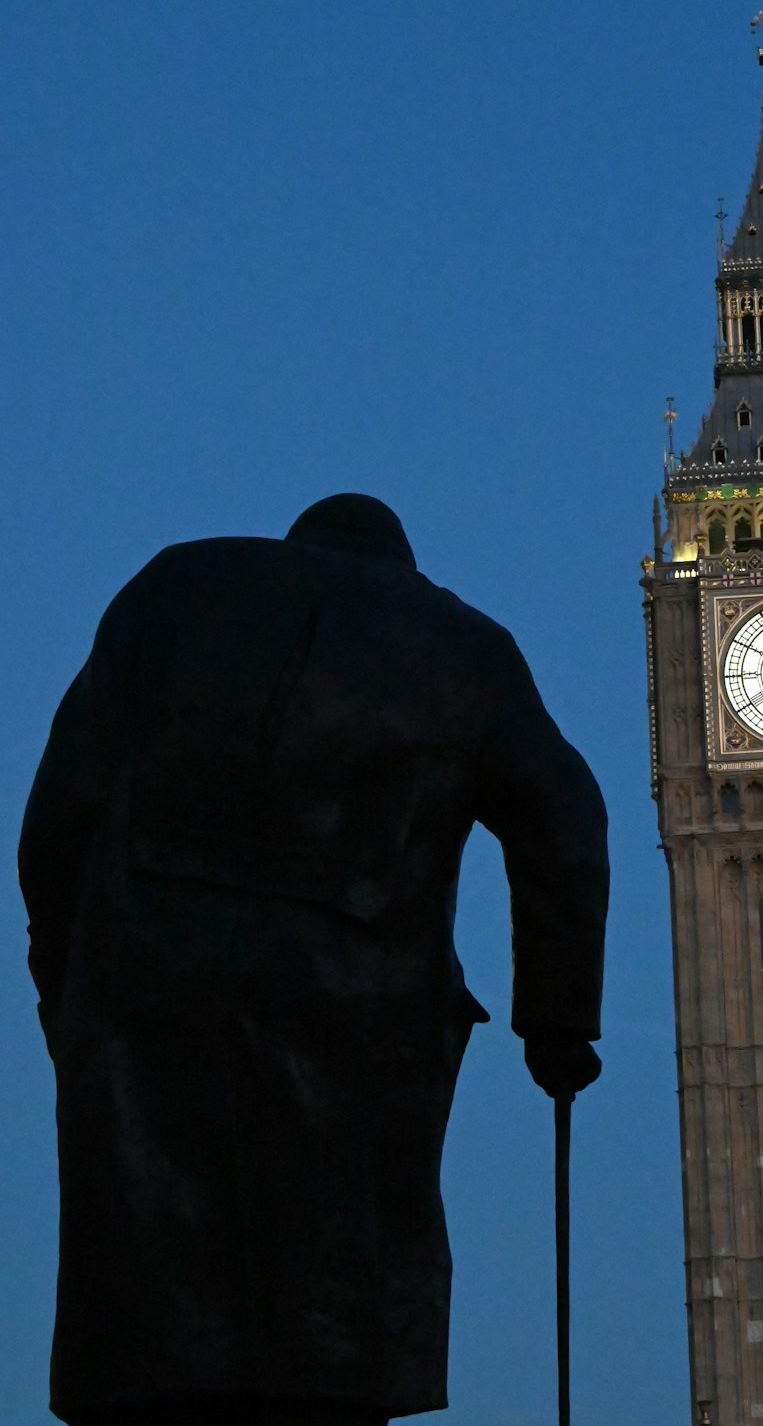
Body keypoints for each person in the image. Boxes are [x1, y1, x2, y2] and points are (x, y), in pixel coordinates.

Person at [19, 494, 608, 1426]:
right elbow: (566, 824)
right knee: (330, 1340)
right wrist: (559, 1025)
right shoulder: (463, 646)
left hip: (143, 1009)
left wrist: (61, 983)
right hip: (350, 1018)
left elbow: (58, 815)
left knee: (149, 1324)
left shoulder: (172, 588)